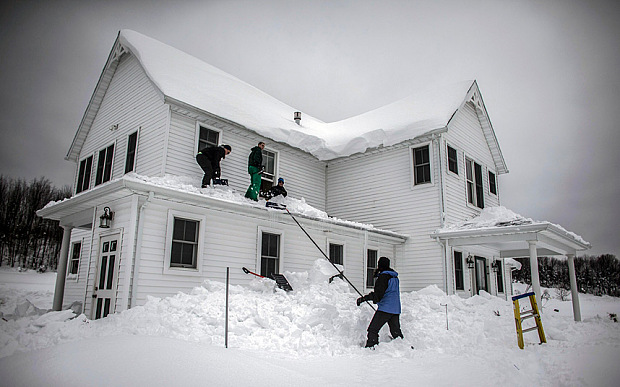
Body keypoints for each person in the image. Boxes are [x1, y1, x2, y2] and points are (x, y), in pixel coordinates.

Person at [356, 256, 403, 348]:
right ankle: (403, 347)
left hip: (385, 308)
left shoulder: (383, 277)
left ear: (380, 266)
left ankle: (371, 347)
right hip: (395, 309)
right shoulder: (394, 277)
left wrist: (363, 299)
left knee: (373, 330)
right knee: (396, 332)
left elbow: (378, 295)